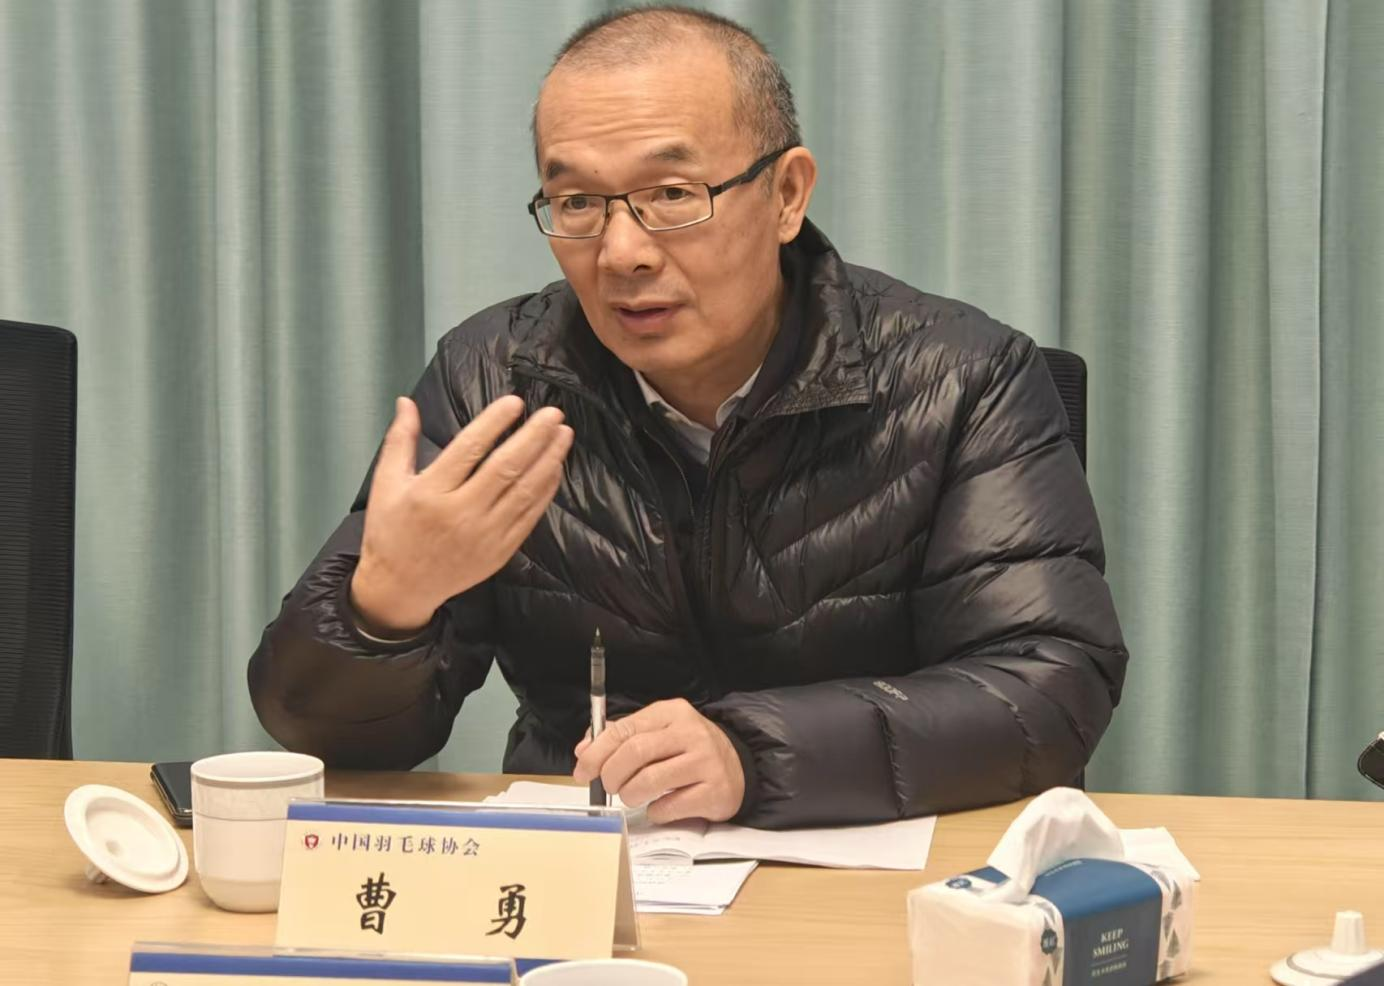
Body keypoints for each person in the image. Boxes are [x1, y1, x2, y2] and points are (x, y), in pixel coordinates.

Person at [248, 5, 1128, 830]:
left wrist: (752, 753)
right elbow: (328, 736)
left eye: (672, 194)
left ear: (787, 194)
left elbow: (1048, 685)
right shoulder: (494, 382)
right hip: (593, 875)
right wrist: (382, 610)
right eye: (577, 203)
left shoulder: (962, 377)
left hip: (872, 875)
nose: (621, 253)